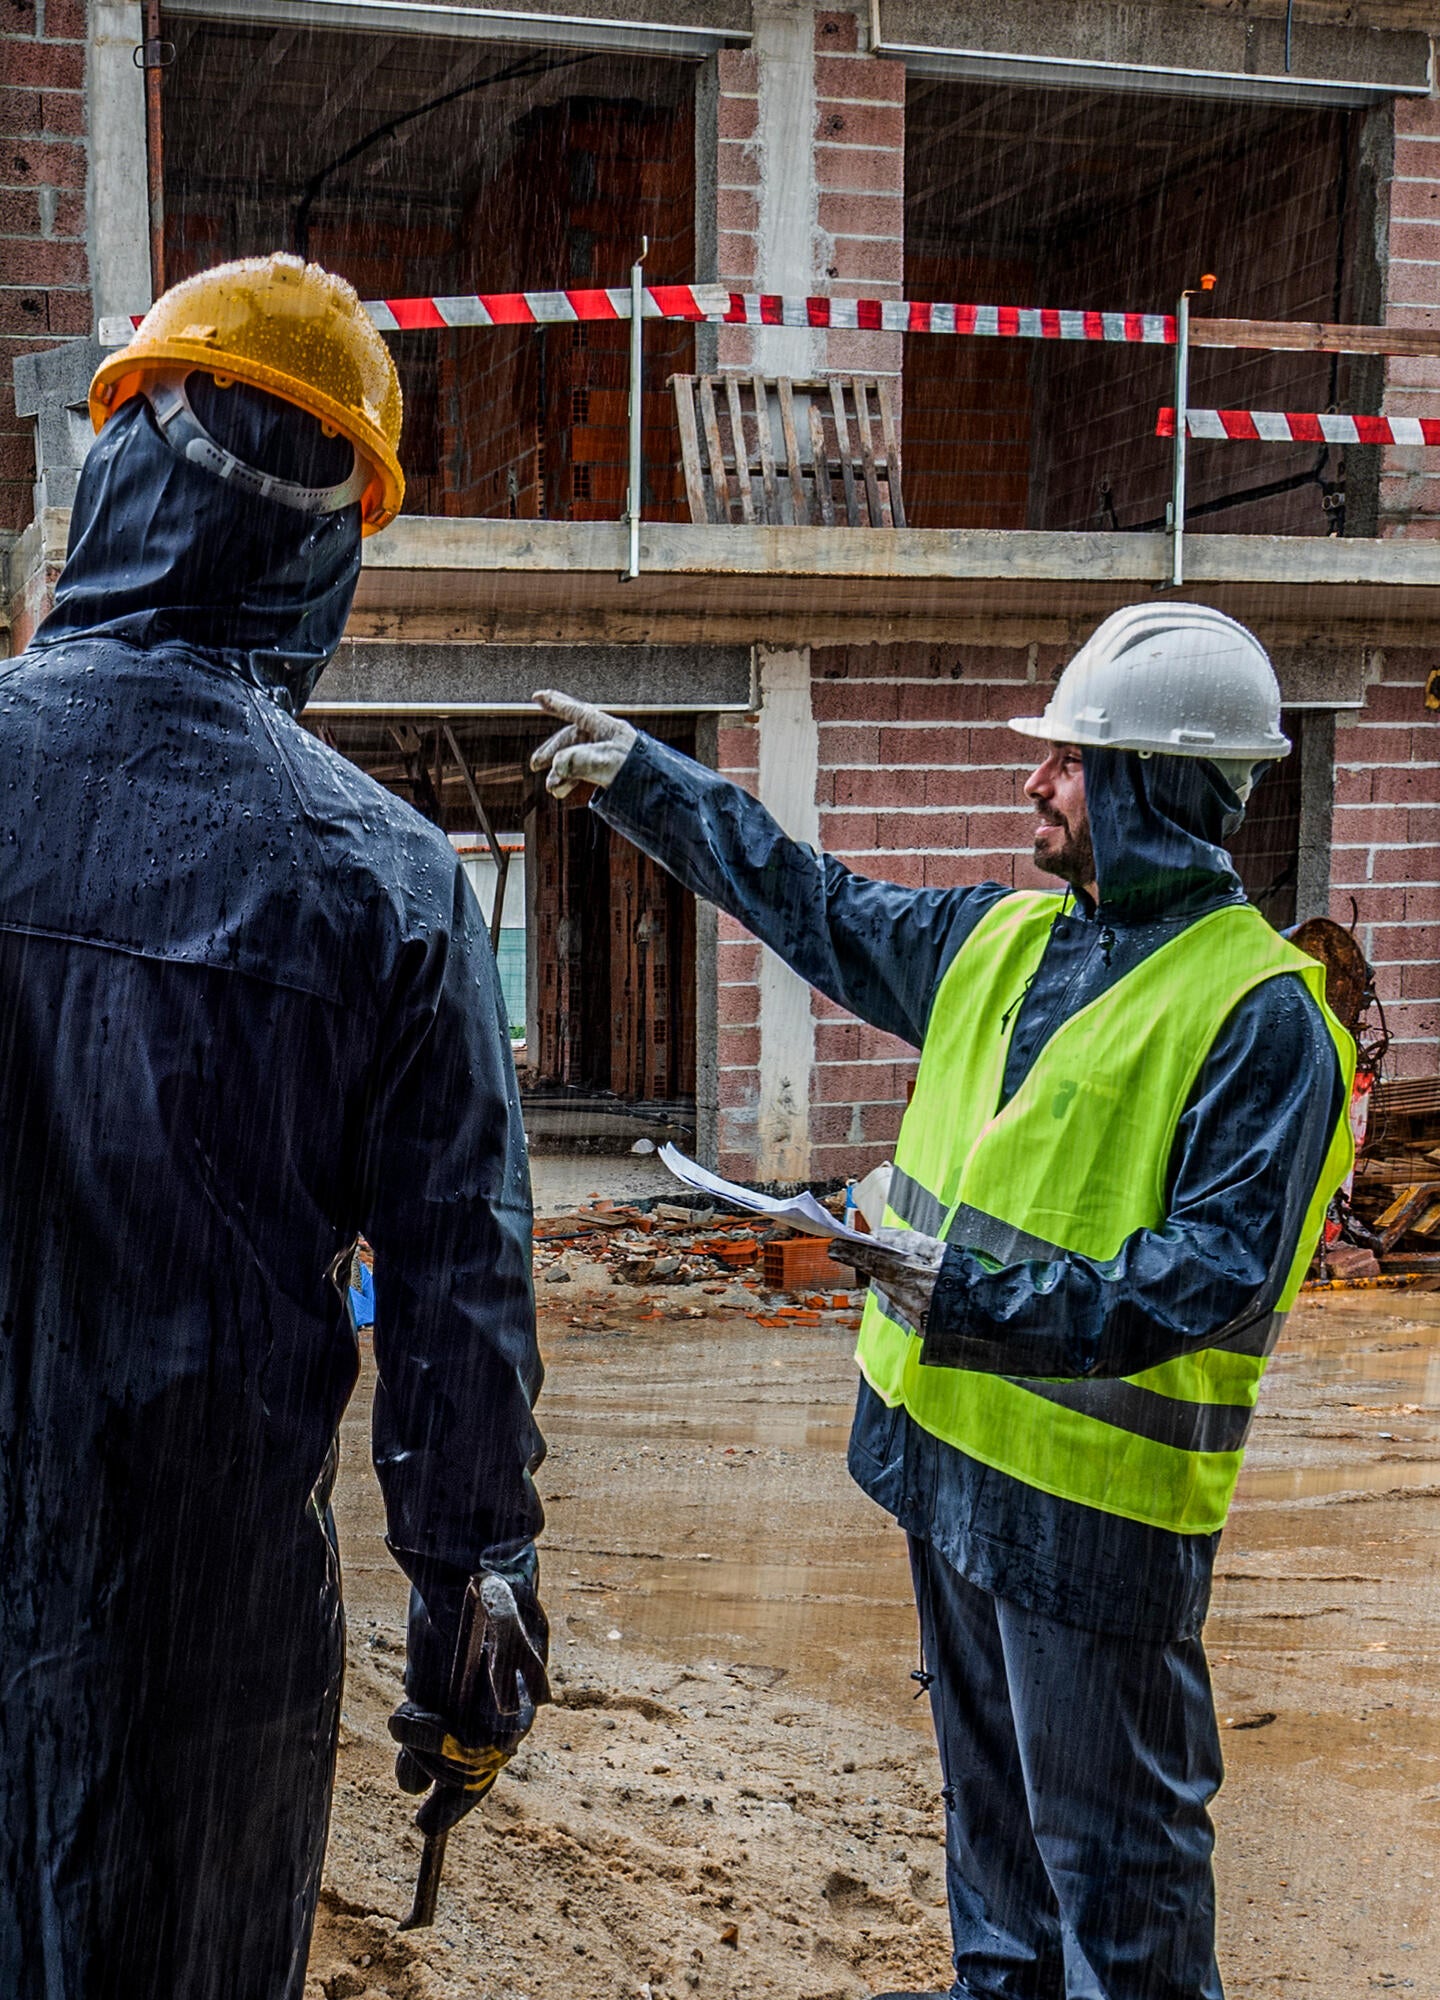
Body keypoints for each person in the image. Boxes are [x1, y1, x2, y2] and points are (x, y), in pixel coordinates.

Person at [531, 604, 1353, 2000]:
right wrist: (647, 783)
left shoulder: (1264, 1018)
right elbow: (815, 904)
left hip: (1097, 1524)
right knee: (999, 1850)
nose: (1037, 781)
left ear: (1152, 781)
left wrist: (965, 1290)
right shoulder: (1006, 942)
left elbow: (1210, 1274)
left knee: (1122, 1891)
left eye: (1072, 759)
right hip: (951, 1470)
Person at [0, 254, 548, 1998]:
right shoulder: (384, 885)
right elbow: (460, 1287)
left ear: (119, 477)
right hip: (216, 1619)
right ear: (332, 553)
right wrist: (471, 1588)